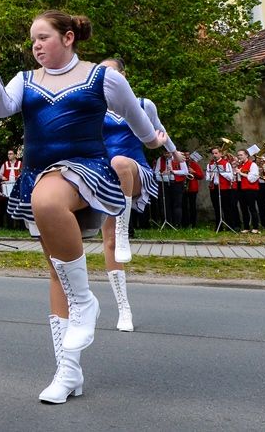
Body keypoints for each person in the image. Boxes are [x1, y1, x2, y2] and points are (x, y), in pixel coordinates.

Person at [0, 10, 166, 404]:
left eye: (43, 37)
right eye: (32, 40)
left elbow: (137, 119)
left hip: (86, 172)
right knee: (56, 273)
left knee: (46, 200)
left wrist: (153, 142)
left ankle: (86, 302)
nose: (36, 46)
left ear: (68, 38)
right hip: (37, 173)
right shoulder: (26, 80)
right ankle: (68, 372)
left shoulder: (102, 77)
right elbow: (0, 108)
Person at [97, 57, 181, 332]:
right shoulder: (95, 108)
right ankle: (124, 309)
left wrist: (173, 151)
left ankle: (125, 227)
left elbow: (159, 131)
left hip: (135, 169)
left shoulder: (143, 104)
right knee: (108, 243)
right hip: (106, 177)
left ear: (123, 75)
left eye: (109, 73)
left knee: (121, 161)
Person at [206, 147, 237, 230]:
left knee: (226, 207)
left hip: (224, 188)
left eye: (216, 153)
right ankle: (218, 227)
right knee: (216, 207)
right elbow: (207, 178)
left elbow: (231, 177)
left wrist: (221, 171)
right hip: (214, 188)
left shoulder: (226, 163)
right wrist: (211, 175)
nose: (214, 155)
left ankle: (230, 226)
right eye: (213, 153)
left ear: (220, 154)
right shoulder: (210, 164)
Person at [234, 149, 260, 233]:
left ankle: (255, 227)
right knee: (243, 209)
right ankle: (246, 227)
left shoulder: (252, 164)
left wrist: (241, 173)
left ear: (246, 155)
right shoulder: (239, 165)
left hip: (250, 189)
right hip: (240, 189)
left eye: (241, 155)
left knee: (252, 208)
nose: (239, 157)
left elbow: (253, 178)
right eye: (238, 155)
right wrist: (234, 168)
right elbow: (236, 178)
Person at [182, 152, 204, 228]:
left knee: (192, 206)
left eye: (188, 155)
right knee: (184, 206)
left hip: (192, 188)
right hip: (183, 188)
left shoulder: (194, 164)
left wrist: (193, 172)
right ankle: (185, 223)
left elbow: (201, 176)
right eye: (185, 155)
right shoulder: (180, 163)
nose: (187, 157)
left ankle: (193, 223)